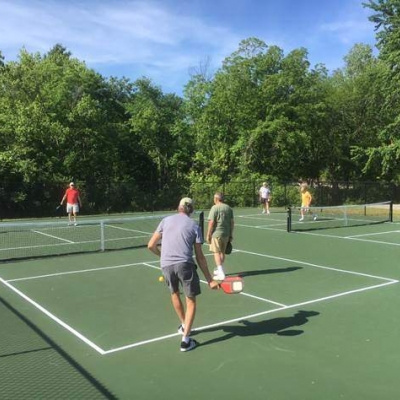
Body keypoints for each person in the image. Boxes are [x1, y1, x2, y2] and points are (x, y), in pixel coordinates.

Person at [148, 197, 218, 352]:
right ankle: (186, 341)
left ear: (178, 207)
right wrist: (210, 280)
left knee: (174, 293)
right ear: (191, 210)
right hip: (184, 265)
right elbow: (200, 256)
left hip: (166, 265)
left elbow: (151, 245)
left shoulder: (165, 221)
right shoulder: (194, 226)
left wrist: (163, 257)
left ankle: (184, 325)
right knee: (191, 301)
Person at [206, 192, 234, 281]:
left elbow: (211, 222)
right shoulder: (228, 208)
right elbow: (232, 222)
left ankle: (221, 272)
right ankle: (219, 269)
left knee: (216, 252)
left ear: (216, 199)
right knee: (222, 252)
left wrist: (208, 234)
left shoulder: (214, 208)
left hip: (216, 233)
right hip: (226, 233)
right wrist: (230, 234)